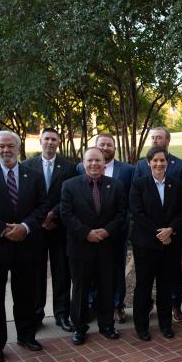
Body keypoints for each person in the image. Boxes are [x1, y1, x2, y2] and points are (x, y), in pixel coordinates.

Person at [0, 130, 49, 362]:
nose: (6, 150)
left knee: (25, 295)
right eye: (1, 146)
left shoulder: (33, 176)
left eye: (10, 146)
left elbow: (42, 206)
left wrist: (24, 227)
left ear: (18, 147)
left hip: (26, 245)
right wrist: (5, 229)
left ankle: (26, 336)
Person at [62, 147, 127, 345]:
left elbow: (121, 214)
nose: (94, 164)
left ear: (103, 163)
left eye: (98, 161)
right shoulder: (69, 185)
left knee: (107, 287)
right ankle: (79, 328)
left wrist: (106, 231)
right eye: (90, 160)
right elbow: (66, 214)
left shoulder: (115, 185)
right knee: (80, 289)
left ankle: (107, 325)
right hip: (80, 247)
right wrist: (86, 233)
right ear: (83, 163)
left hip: (107, 247)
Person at [129, 146, 182, 341]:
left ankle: (165, 325)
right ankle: (141, 327)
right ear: (148, 163)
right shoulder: (139, 184)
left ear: (167, 163)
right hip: (145, 244)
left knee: (165, 285)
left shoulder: (175, 184)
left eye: (162, 160)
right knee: (144, 286)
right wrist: (160, 233)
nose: (159, 164)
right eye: (155, 160)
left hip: (170, 244)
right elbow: (137, 213)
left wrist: (170, 230)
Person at [77, 134, 134, 323]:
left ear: (114, 148)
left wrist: (113, 227)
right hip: (89, 232)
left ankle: (117, 305)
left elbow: (127, 203)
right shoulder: (81, 168)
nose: (106, 147)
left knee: (117, 270)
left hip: (116, 231)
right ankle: (93, 304)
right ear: (96, 147)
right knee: (91, 269)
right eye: (102, 144)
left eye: (109, 144)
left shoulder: (127, 170)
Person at [24, 128, 77, 332]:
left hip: (59, 227)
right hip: (36, 229)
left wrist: (53, 214)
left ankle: (62, 314)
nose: (49, 142)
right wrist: (40, 218)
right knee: (37, 273)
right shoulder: (28, 166)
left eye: (53, 139)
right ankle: (37, 314)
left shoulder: (69, 167)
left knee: (62, 272)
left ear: (58, 142)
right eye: (46, 139)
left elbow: (70, 196)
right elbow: (26, 197)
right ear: (40, 141)